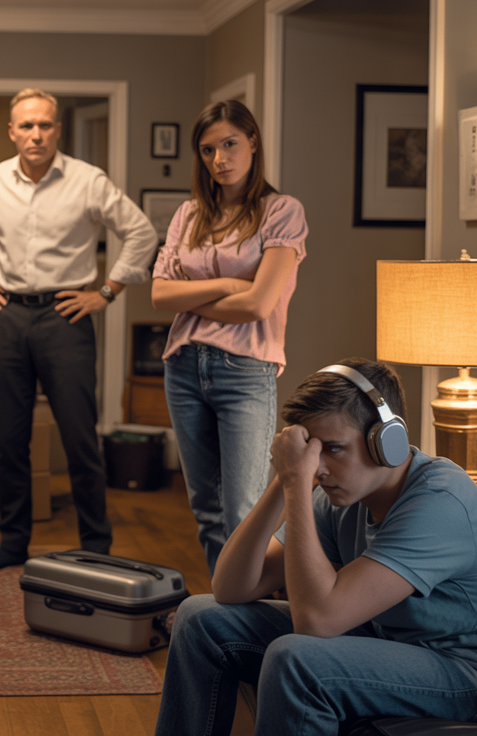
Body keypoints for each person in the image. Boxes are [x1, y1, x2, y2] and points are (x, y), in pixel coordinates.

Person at [154, 359, 477, 736]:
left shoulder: (440, 502)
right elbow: (231, 587)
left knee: (296, 660)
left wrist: (298, 486)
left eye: (333, 448)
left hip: (473, 679)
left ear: (388, 442)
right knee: (199, 616)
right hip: (388, 642)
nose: (318, 468)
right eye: (311, 451)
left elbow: (316, 622)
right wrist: (285, 479)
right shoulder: (342, 495)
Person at [0, 88, 158, 573]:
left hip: (66, 316)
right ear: (12, 132)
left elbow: (141, 231)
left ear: (57, 129)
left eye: (44, 125)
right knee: (9, 437)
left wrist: (106, 292)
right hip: (8, 317)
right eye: (26, 126)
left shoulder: (88, 180)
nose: (35, 134)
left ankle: (95, 546)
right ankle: (13, 543)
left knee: (80, 435)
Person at [151, 100, 308, 575]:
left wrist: (190, 297)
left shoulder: (281, 211)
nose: (220, 158)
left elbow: (259, 305)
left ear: (253, 142)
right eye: (207, 149)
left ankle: (246, 616)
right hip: (183, 368)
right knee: (205, 511)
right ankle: (225, 613)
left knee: (243, 513)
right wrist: (225, 286)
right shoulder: (188, 214)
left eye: (230, 144)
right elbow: (159, 295)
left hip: (245, 370)